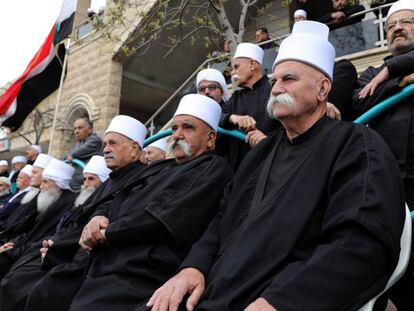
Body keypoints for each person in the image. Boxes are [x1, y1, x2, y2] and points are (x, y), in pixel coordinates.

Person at [146, 21, 405, 311]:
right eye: (274, 81)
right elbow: (222, 219)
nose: (276, 88)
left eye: (289, 79)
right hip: (211, 291)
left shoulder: (358, 145)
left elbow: (360, 243)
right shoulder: (260, 153)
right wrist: (193, 268)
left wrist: (282, 302)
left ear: (323, 89)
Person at [60, 95, 233, 311]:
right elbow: (119, 194)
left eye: (188, 128)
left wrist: (107, 233)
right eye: (175, 127)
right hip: (106, 260)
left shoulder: (213, 168)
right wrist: (98, 217)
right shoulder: (160, 167)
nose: (177, 134)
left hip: (142, 272)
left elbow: (162, 217)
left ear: (210, 138)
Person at [23, 115, 158, 311]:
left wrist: (60, 249)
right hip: (76, 253)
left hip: (102, 261)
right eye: (104, 144)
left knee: (44, 290)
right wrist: (56, 244)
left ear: (135, 148)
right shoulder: (114, 179)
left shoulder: (143, 178)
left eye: (112, 143)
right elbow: (83, 218)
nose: (106, 149)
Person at [353, 1, 414, 309]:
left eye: (406, 22)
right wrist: (399, 81)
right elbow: (361, 104)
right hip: (385, 187)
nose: (397, 29)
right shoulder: (370, 74)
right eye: (390, 26)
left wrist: (394, 70)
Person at [0, 155, 111, 311]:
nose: (85, 185)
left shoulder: (73, 202)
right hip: (45, 249)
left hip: (67, 257)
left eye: (91, 179)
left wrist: (53, 246)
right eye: (84, 179)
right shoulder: (53, 199)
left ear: (58, 185)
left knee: (20, 284)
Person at [0, 159, 77, 279]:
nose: (41, 186)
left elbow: (44, 236)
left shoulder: (64, 203)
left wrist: (14, 247)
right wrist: (13, 243)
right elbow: (31, 230)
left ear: (58, 184)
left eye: (45, 182)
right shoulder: (49, 198)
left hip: (38, 250)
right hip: (26, 245)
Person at [220, 42, 281, 171]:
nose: (233, 73)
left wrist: (267, 141)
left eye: (236, 67)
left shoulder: (274, 91)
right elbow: (216, 116)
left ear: (252, 65)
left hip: (270, 167)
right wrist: (232, 118)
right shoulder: (235, 98)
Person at [66, 117, 103, 191]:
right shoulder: (79, 143)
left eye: (80, 128)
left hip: (86, 183)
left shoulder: (95, 140)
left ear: (89, 130)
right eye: (75, 128)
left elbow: (76, 153)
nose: (76, 131)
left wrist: (71, 155)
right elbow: (67, 155)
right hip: (75, 183)